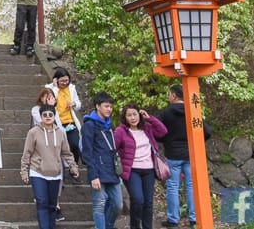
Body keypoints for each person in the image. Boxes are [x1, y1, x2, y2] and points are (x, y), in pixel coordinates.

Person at [158, 84, 212, 228]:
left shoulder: (165, 113)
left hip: (173, 154)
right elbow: (207, 131)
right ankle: (194, 219)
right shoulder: (193, 111)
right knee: (192, 186)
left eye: (169, 94)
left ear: (174, 95)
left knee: (173, 187)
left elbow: (158, 132)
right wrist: (196, 143)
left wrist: (167, 140)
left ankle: (173, 220)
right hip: (191, 154)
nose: (169, 96)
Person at [21, 104, 81, 229]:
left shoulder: (61, 133)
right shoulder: (33, 132)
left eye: (50, 115)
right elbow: (27, 152)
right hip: (37, 171)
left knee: (52, 205)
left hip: (55, 173)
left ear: (54, 116)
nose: (48, 117)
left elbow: (66, 152)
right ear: (41, 117)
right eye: (45, 115)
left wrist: (73, 167)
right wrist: (24, 171)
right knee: (42, 203)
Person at [114, 104, 168, 229]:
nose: (133, 118)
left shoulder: (147, 128)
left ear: (139, 115)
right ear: (125, 117)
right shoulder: (120, 131)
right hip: (132, 170)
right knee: (138, 200)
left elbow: (163, 131)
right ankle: (135, 226)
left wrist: (150, 118)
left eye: (135, 114)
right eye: (129, 115)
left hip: (149, 169)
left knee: (148, 203)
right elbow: (113, 148)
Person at [81, 91, 123, 229]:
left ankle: (108, 225)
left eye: (111, 107)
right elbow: (87, 152)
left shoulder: (110, 125)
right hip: (98, 170)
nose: (109, 109)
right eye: (106, 106)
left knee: (118, 205)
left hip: (112, 170)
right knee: (99, 205)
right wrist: (93, 175)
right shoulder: (89, 125)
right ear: (97, 106)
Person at [31, 88, 67, 221]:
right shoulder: (36, 110)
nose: (50, 99)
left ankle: (55, 205)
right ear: (41, 98)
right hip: (41, 151)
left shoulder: (54, 111)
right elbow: (42, 121)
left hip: (56, 149)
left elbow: (60, 128)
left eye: (52, 96)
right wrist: (49, 108)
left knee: (59, 177)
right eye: (47, 96)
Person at [46, 68, 83, 173]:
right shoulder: (49, 88)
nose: (65, 83)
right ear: (56, 80)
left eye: (67, 80)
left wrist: (74, 104)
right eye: (62, 81)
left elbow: (78, 104)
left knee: (75, 145)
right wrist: (55, 87)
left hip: (70, 122)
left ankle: (73, 167)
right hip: (57, 122)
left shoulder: (71, 88)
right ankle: (59, 169)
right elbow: (51, 102)